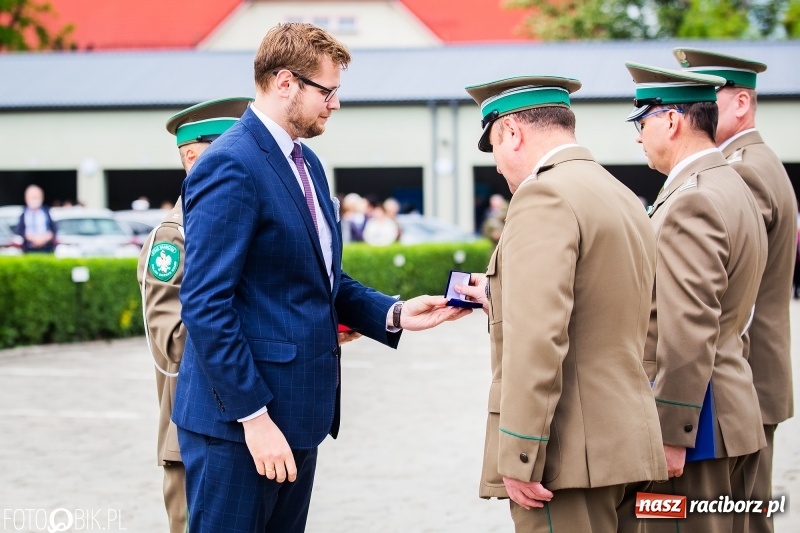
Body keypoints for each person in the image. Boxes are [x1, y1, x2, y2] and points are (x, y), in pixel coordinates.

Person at [174, 23, 470, 532]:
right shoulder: (229, 164)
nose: (335, 104)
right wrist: (254, 418)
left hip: (298, 416)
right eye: (328, 92)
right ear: (285, 82)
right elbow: (205, 304)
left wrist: (394, 314)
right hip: (241, 428)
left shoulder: (305, 162)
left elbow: (318, 277)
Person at [456, 75, 666, 532]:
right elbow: (617, 309)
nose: (495, 166)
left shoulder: (543, 194)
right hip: (627, 439)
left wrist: (520, 451)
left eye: (492, 145)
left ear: (512, 131)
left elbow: (539, 337)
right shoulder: (622, 194)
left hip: (566, 454)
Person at [625, 62, 767, 533]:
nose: (638, 137)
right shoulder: (730, 182)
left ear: (671, 120)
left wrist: (671, 432)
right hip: (726, 412)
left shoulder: (692, 199)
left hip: (699, 428)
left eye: (641, 122)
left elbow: (689, 327)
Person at [673, 47, 797, 533]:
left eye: (708, 96)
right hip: (752, 375)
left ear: (741, 103)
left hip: (741, 376)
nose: (695, 110)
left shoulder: (742, 170)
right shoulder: (755, 162)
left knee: (736, 517)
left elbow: (725, 291)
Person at [136, 96, 253, 533]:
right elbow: (172, 341)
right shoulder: (173, 238)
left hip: (244, 429)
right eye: (230, 149)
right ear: (192, 157)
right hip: (193, 436)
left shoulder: (231, 226)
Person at [16, 184, 56, 253]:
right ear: (26, 198)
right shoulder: (23, 213)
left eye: (36, 197)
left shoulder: (47, 212)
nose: (34, 200)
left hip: (46, 248)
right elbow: (20, 231)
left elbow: (54, 229)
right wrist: (32, 238)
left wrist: (44, 238)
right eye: (32, 197)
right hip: (29, 248)